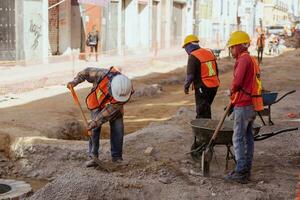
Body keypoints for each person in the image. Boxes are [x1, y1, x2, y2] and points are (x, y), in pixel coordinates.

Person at [67, 67, 133, 167]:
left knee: (118, 129)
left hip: (113, 108)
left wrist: (94, 122)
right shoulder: (101, 74)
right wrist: (74, 82)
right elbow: (85, 72)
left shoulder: (126, 90)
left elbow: (107, 113)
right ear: (110, 86)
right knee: (94, 130)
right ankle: (93, 157)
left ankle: (117, 158)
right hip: (97, 103)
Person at [225, 31, 263, 184]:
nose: (231, 50)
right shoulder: (251, 59)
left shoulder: (243, 60)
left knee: (238, 137)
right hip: (251, 104)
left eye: (232, 47)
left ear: (239, 46)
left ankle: (240, 171)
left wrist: (231, 90)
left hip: (243, 104)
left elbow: (237, 82)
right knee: (248, 137)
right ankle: (246, 169)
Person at [182, 34, 220, 119]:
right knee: (206, 108)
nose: (185, 50)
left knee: (202, 112)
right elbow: (216, 69)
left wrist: (186, 86)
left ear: (189, 45)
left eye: (185, 47)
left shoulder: (193, 56)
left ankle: (204, 130)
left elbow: (190, 76)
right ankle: (205, 126)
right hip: (214, 86)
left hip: (203, 87)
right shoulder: (209, 51)